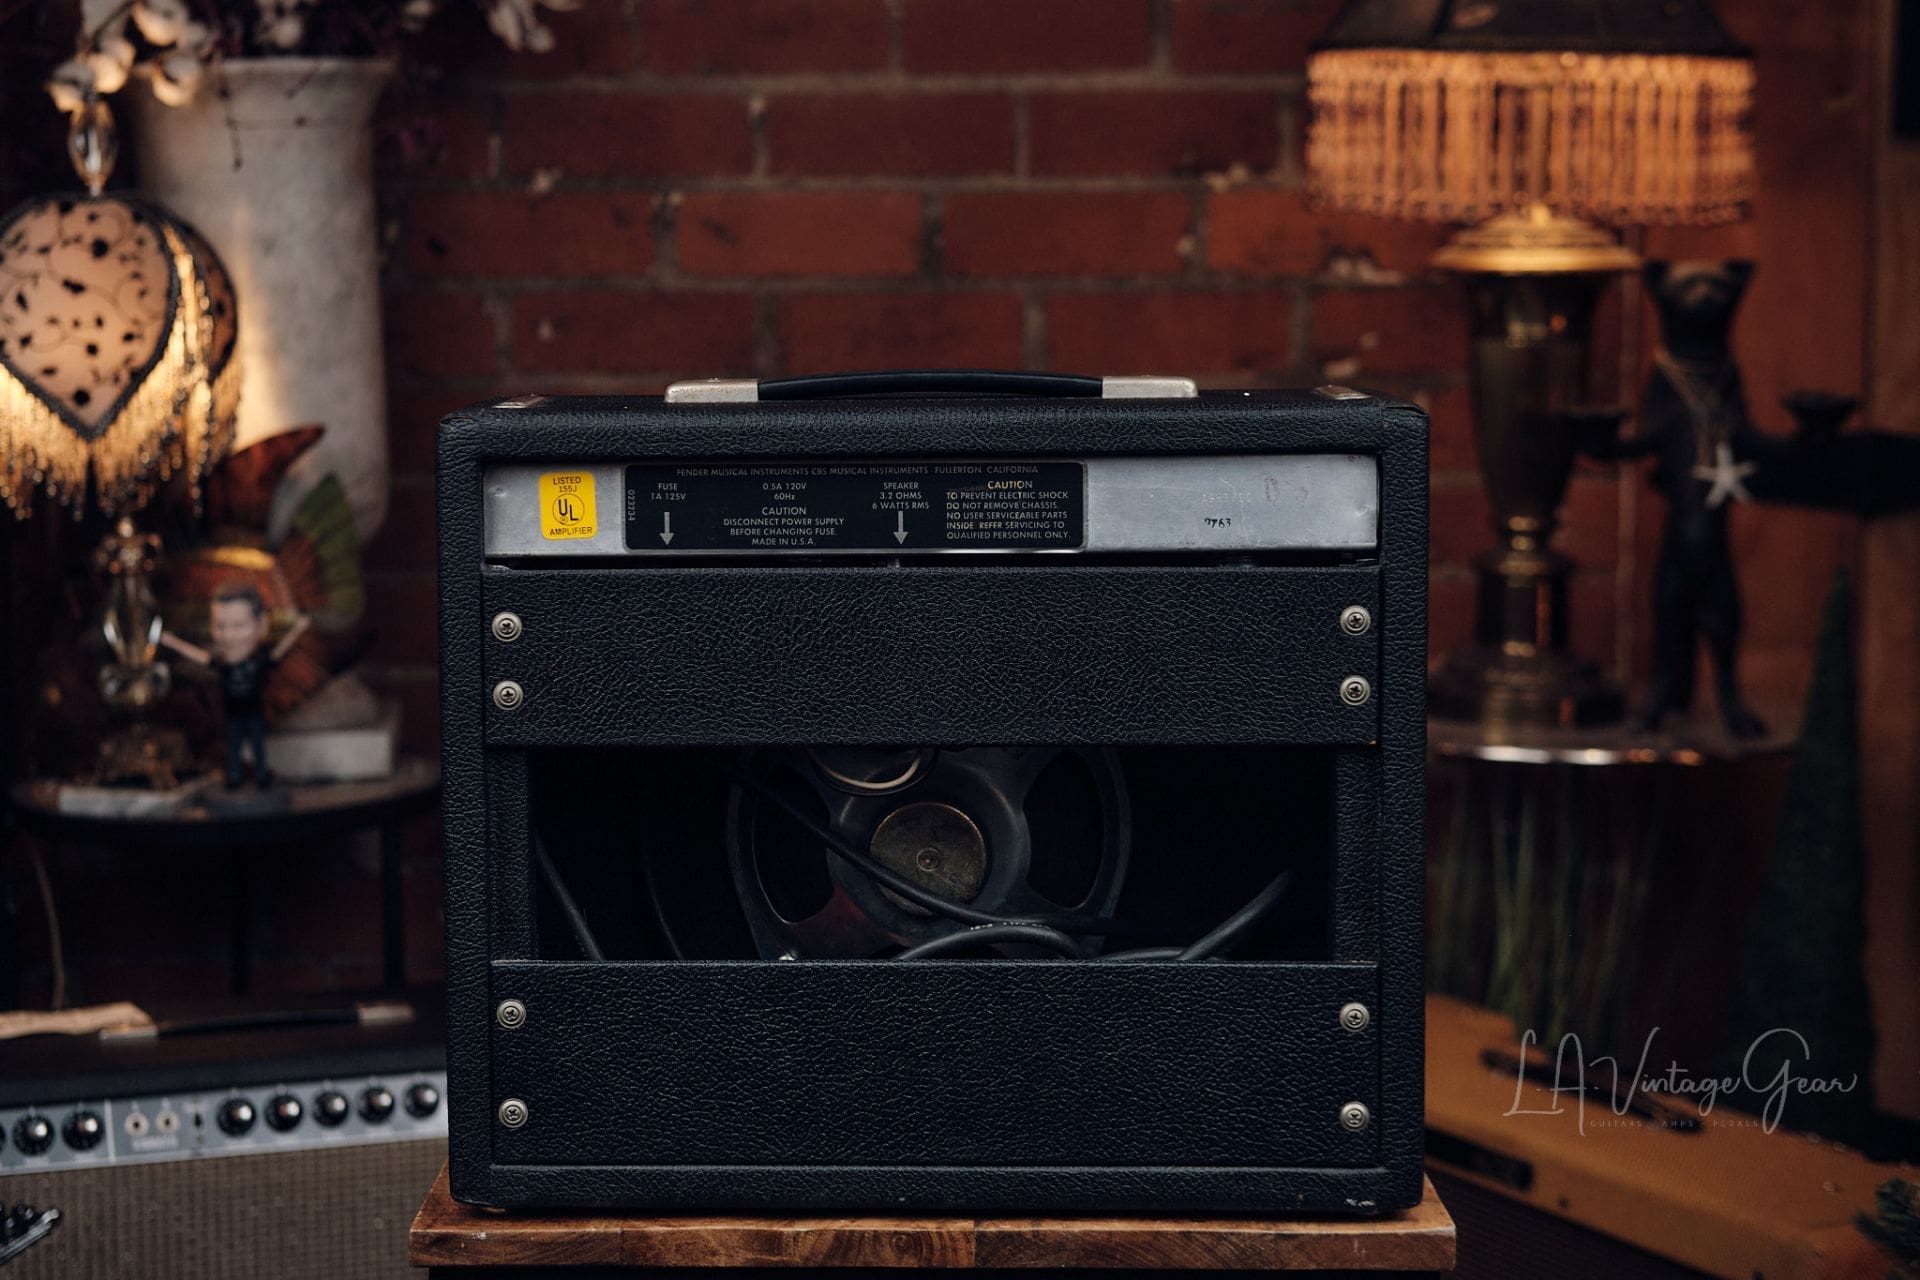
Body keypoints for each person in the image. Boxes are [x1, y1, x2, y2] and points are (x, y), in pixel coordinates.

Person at [160, 587, 310, 789]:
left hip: (254, 714)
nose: (229, 635)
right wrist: (173, 642)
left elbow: (280, 650)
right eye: (221, 626)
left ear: (261, 626)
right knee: (233, 746)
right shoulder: (223, 665)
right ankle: (235, 776)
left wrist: (298, 628)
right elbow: (198, 655)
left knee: (257, 746)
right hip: (232, 716)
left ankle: (260, 775)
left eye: (239, 626)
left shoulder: (258, 661)